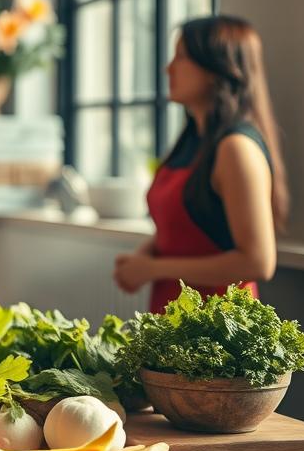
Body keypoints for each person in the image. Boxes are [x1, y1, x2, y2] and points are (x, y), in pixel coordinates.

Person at [114, 16, 288, 310]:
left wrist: (155, 269)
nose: (168, 68)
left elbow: (258, 261)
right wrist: (144, 256)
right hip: (175, 318)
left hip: (217, 328)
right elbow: (181, 227)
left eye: (181, 57)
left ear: (216, 68)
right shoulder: (193, 140)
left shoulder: (236, 148)